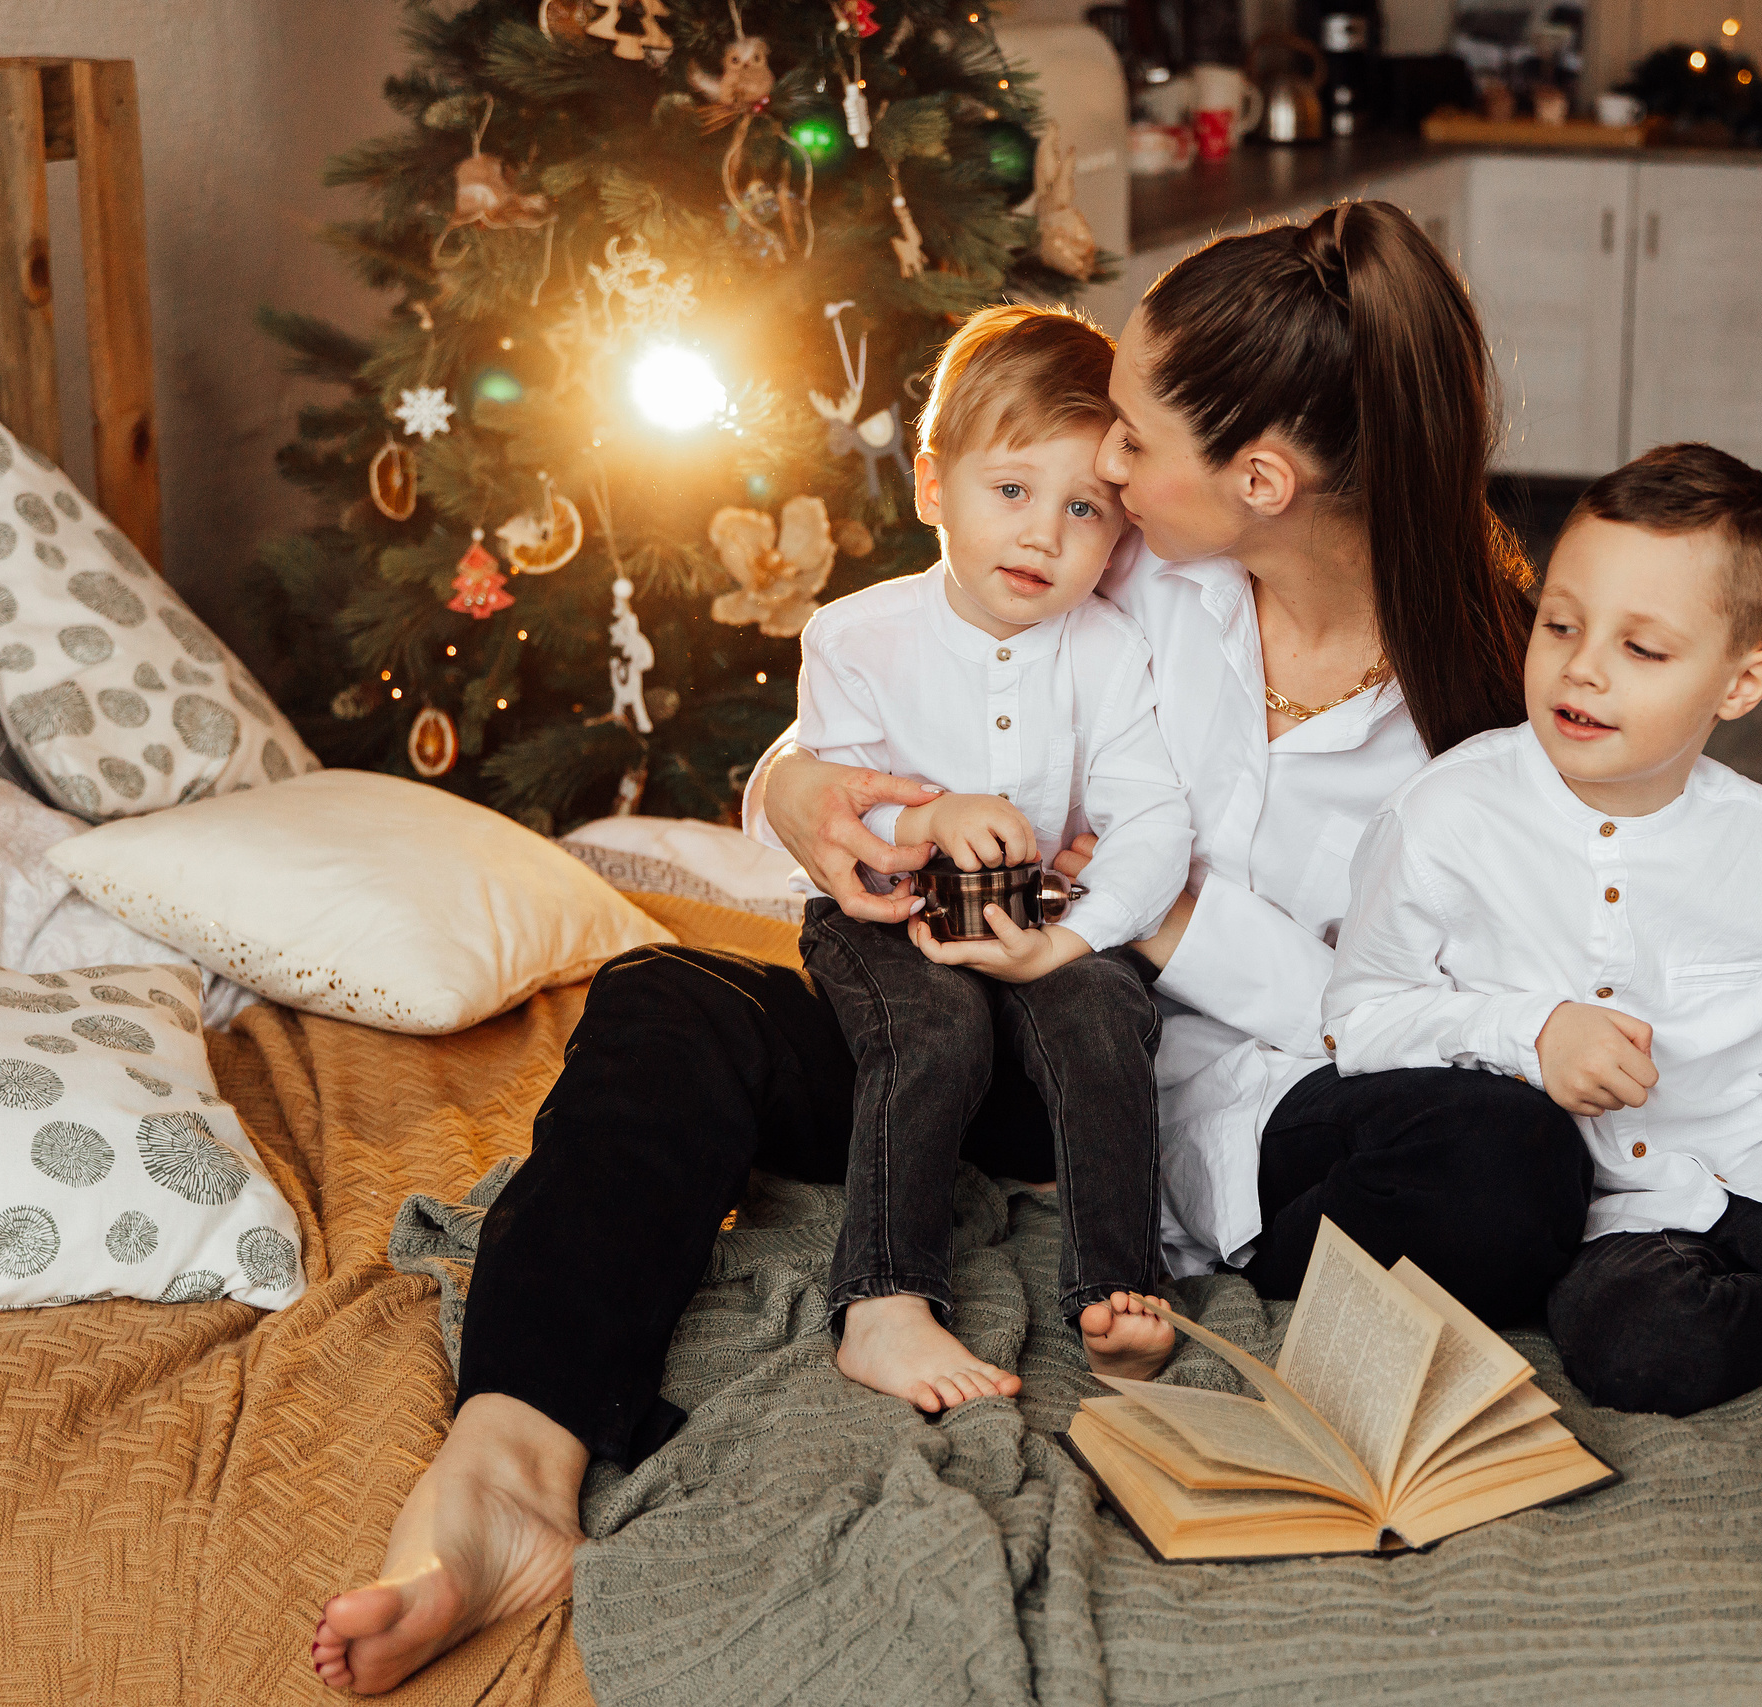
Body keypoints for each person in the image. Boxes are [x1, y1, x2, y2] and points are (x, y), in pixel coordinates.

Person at [313, 200, 1585, 1696]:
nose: (1095, 468)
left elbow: (1459, 1011)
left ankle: (1197, 1243)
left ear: (1257, 479)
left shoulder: (1492, 703)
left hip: (1256, 1112)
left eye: (1129, 439)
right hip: (983, 1043)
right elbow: (922, 664)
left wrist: (1169, 919)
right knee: (667, 1002)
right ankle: (509, 1468)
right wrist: (795, 785)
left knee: (1511, 1162)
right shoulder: (1135, 568)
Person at [1321, 442, 1762, 1419]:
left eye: (1642, 649)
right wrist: (1527, 1031)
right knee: (1638, 1349)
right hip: (1622, 1215)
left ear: (1740, 685)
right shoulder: (1445, 817)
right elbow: (1359, 1021)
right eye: (1560, 625)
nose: (1582, 670)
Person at [783, 303, 1192, 1411]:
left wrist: (1075, 935)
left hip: (1041, 912)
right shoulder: (854, 637)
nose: (1042, 536)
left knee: (1107, 1014)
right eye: (1009, 491)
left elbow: (1153, 819)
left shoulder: (1108, 653)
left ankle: (1118, 1281)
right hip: (886, 917)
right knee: (932, 1029)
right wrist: (929, 819)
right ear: (932, 488)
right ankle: (883, 1299)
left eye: (1083, 509)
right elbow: (845, 824)